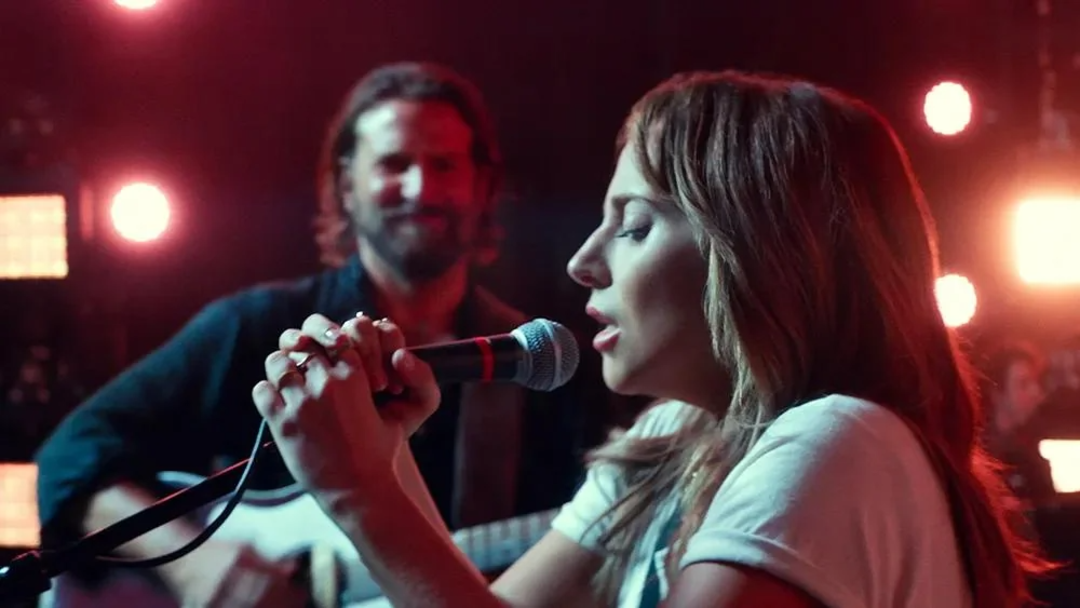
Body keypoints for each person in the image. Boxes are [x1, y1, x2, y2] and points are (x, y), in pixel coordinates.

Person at [252, 70, 1057, 608]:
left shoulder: (836, 441)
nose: (581, 262)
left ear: (761, 254)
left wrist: (362, 495)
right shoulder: (675, 438)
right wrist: (385, 456)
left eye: (634, 225)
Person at [34, 61, 612, 607]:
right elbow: (71, 456)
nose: (420, 188)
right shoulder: (254, 327)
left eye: (445, 165)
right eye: (393, 164)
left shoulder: (535, 360)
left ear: (484, 185)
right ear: (346, 186)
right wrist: (193, 564)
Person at [980, 340, 1054, 504]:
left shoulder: (1030, 455)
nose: (1036, 392)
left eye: (1035, 382)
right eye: (1023, 384)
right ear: (997, 392)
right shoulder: (977, 456)